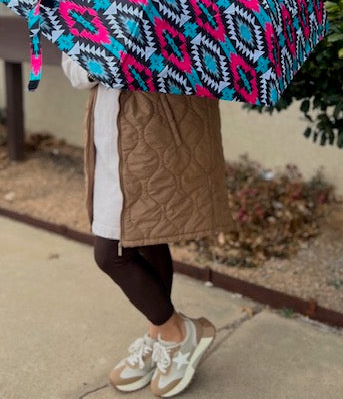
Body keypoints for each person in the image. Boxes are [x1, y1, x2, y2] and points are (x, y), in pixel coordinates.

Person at [62, 53, 234, 397]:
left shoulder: (179, 4)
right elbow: (78, 74)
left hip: (154, 130)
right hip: (112, 128)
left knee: (112, 254)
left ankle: (176, 333)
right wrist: (104, 49)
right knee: (145, 236)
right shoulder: (92, 1)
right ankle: (161, 332)